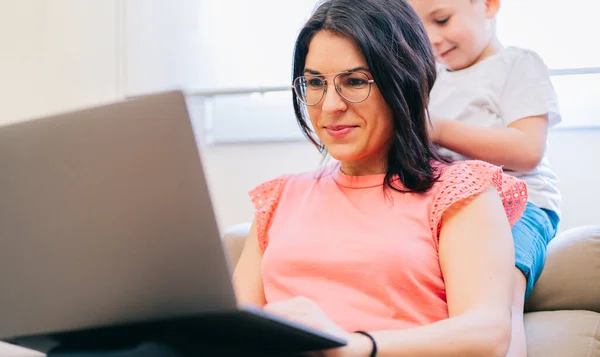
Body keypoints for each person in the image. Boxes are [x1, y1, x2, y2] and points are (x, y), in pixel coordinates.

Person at [233, 0, 530, 356]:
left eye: (355, 81)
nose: (330, 106)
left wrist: (353, 347)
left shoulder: (460, 192)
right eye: (314, 83)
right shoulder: (279, 197)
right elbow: (227, 326)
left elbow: (488, 334)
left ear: (403, 80)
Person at [407, 0, 562, 355]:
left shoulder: (517, 65)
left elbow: (527, 148)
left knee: (497, 288)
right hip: (451, 210)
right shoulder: (430, 79)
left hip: (520, 205)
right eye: (419, 28)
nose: (431, 38)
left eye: (442, 19)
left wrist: (440, 129)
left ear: (489, 5)